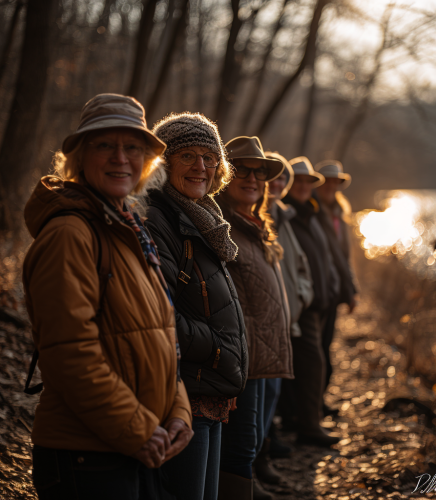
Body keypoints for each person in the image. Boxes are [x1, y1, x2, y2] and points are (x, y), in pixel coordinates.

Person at [23, 93, 193, 500]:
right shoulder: (71, 234)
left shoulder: (127, 228)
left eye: (132, 147)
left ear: (146, 161)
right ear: (80, 157)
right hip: (89, 456)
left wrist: (179, 412)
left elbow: (161, 338)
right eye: (105, 145)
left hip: (136, 443)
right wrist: (136, 430)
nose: (121, 157)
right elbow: (70, 354)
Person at [144, 112, 248, 500]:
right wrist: (221, 352)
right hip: (183, 394)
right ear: (163, 163)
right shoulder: (159, 219)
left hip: (210, 390)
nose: (200, 167)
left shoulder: (204, 219)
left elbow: (215, 305)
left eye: (209, 157)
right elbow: (159, 316)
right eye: (187, 155)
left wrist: (229, 366)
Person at [217, 137, 293, 500]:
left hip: (264, 351)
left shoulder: (257, 224)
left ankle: (247, 486)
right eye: (242, 170)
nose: (252, 178)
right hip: (241, 355)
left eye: (259, 172)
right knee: (241, 442)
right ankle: (240, 490)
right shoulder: (221, 225)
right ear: (224, 175)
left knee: (253, 436)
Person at [254, 152, 313, 482]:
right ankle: (254, 465)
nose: (276, 184)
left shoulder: (282, 218)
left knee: (271, 395)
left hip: (286, 321)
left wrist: (300, 299)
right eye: (271, 178)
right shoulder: (257, 217)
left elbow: (300, 267)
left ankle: (261, 459)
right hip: (263, 328)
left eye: (281, 180)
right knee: (261, 400)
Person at [282, 156, 340, 447]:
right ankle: (308, 425)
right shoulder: (287, 214)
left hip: (320, 302)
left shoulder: (311, 213)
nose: (303, 186)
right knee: (312, 363)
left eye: (308, 181)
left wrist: (335, 286)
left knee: (310, 363)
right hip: (302, 305)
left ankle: (301, 418)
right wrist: (303, 298)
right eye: (298, 180)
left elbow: (327, 256)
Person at [314, 160, 357, 406]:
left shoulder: (340, 212)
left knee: (326, 345)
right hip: (317, 289)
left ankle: (319, 401)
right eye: (327, 181)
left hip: (332, 290)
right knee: (315, 350)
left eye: (335, 182)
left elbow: (344, 256)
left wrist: (351, 290)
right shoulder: (310, 209)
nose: (331, 185)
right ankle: (310, 406)